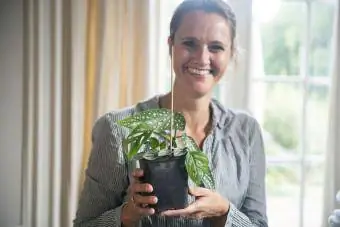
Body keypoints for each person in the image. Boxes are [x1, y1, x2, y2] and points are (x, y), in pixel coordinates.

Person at [74, 0, 268, 226]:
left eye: (216, 47)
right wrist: (129, 213)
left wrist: (224, 213)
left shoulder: (246, 131)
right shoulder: (118, 128)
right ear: (170, 45)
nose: (202, 58)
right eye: (189, 43)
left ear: (231, 52)